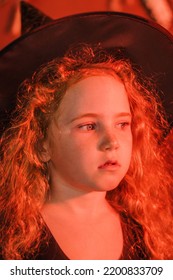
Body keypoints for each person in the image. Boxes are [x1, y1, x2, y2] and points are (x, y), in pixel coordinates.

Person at [0, 12, 173, 260]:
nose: (112, 142)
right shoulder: (12, 241)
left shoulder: (147, 236)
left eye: (122, 124)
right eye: (89, 126)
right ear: (40, 143)